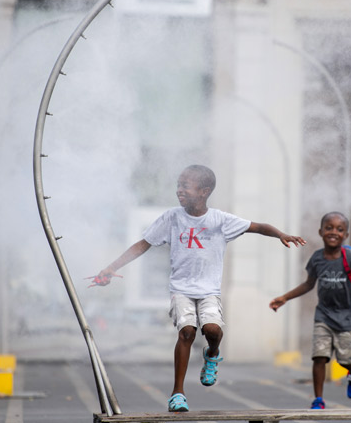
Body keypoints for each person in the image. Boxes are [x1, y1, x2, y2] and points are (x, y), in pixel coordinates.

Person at [89, 165, 306, 413]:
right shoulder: (172, 218)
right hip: (181, 289)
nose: (179, 190)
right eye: (178, 184)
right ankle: (177, 393)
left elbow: (256, 226)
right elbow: (143, 244)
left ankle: (212, 354)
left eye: (185, 185)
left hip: (209, 291)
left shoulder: (219, 220)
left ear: (204, 192)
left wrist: (281, 234)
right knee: (187, 331)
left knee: (213, 330)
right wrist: (111, 267)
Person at [269, 211, 351, 410]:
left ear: (345, 235)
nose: (333, 232)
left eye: (339, 229)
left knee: (344, 359)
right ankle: (318, 399)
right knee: (319, 356)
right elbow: (309, 284)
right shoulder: (317, 258)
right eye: (329, 228)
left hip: (348, 317)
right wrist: (285, 297)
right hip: (324, 316)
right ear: (320, 231)